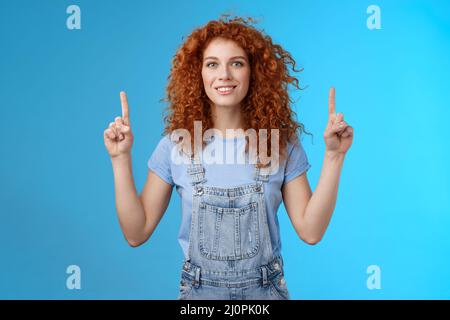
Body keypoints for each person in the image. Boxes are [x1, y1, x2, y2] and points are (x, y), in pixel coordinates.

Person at [103, 15, 354, 300]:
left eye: (237, 63)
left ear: (253, 72)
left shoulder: (279, 145)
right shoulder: (176, 146)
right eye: (212, 64)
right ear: (198, 74)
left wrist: (334, 156)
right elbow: (136, 233)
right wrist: (120, 159)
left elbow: (311, 231)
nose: (224, 74)